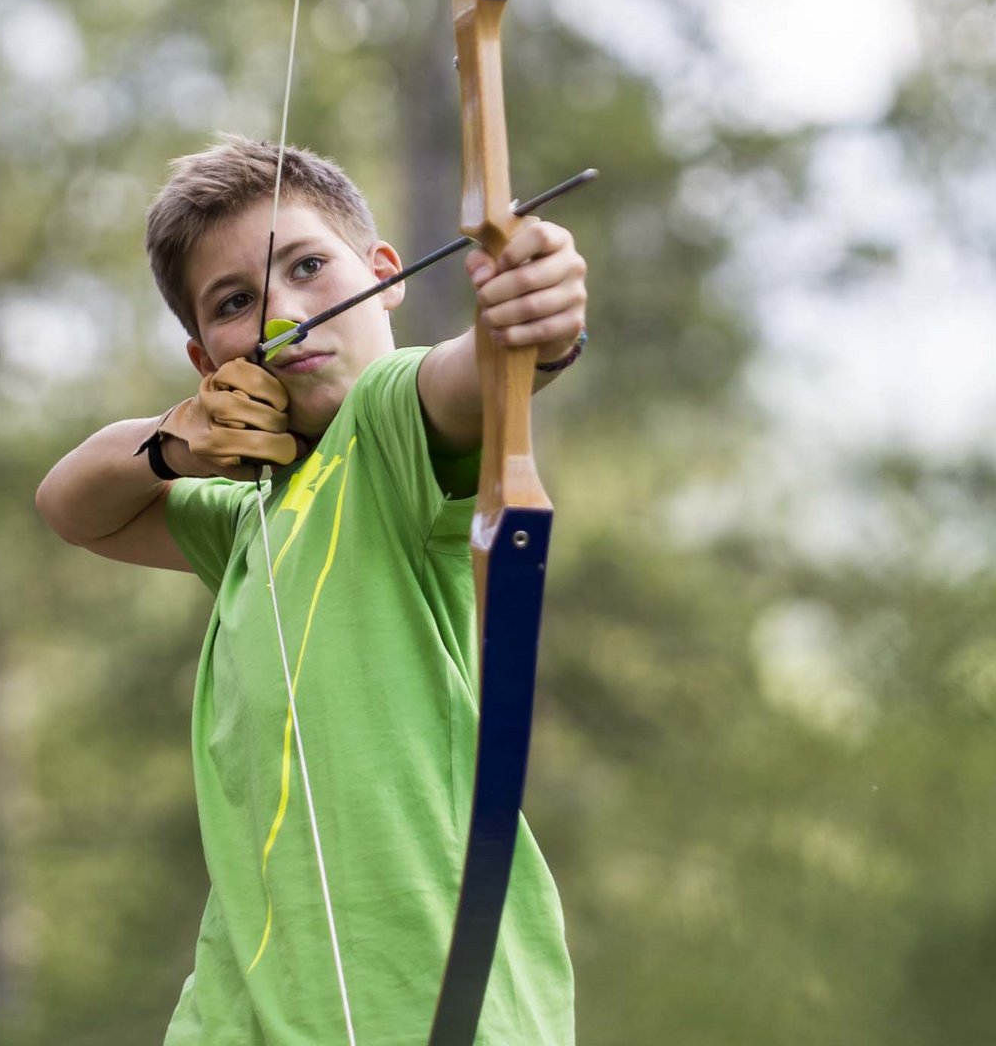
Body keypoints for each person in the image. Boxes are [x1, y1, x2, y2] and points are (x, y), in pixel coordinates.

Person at [35, 135, 587, 1044]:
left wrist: (538, 320)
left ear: (384, 271)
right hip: (242, 1015)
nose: (282, 315)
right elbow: (70, 503)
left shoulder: (388, 428)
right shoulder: (250, 517)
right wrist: (176, 442)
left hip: (426, 1006)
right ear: (204, 356)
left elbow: (471, 375)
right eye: (235, 303)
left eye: (308, 266)